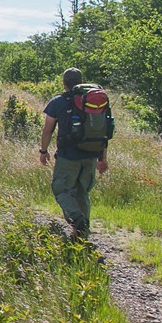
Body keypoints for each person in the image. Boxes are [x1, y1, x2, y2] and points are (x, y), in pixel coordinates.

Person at [39, 68, 109, 239]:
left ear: (64, 83)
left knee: (61, 189)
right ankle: (82, 234)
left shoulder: (58, 102)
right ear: (81, 81)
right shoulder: (95, 102)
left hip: (68, 156)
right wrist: (103, 158)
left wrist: (44, 151)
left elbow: (48, 130)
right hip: (91, 155)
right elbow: (103, 131)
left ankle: (77, 219)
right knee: (82, 192)